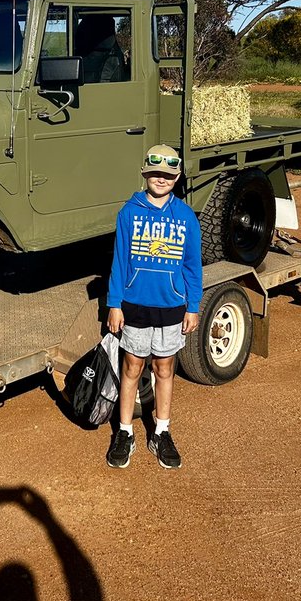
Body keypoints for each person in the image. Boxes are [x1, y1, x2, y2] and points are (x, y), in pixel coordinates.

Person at [104, 144, 202, 469]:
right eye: (156, 173)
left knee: (164, 369)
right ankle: (125, 431)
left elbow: (192, 266)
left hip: (172, 306)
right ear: (145, 173)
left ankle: (162, 430)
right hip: (135, 305)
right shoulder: (128, 213)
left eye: (169, 175)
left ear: (176, 178)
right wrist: (114, 303)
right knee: (132, 368)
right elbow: (119, 261)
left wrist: (193, 305)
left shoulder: (186, 217)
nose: (161, 179)